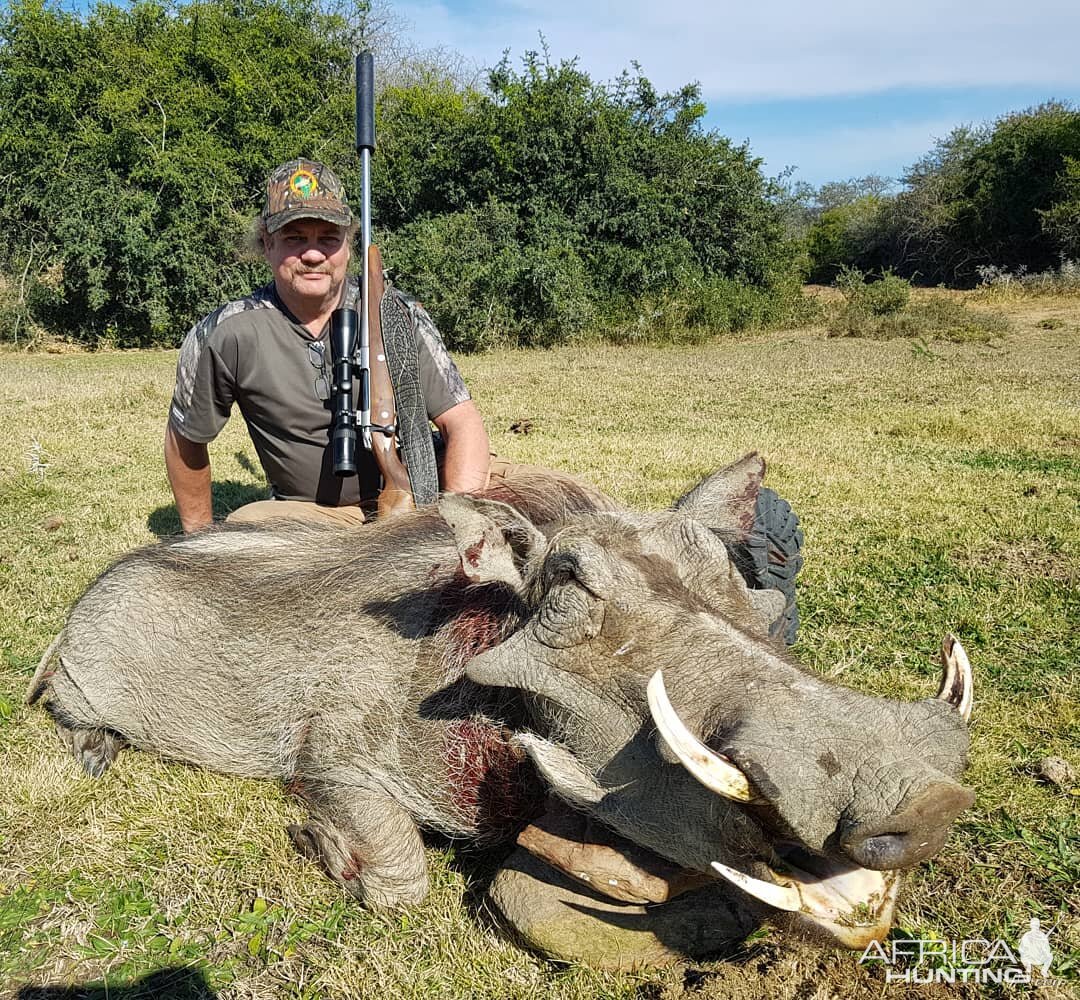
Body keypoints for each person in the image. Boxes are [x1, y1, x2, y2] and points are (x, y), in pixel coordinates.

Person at [165, 158, 490, 532]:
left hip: (426, 492)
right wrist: (198, 540)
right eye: (295, 238)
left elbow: (462, 422)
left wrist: (460, 521)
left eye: (328, 238)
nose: (314, 254)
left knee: (545, 501)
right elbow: (185, 439)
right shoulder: (226, 332)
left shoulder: (396, 314)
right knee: (245, 535)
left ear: (349, 245)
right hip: (313, 516)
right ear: (267, 244)